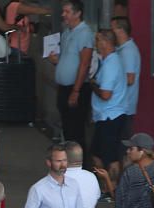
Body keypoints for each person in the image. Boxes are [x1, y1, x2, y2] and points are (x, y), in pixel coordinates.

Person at [48, 0, 94, 150]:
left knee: (76, 131)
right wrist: (56, 61)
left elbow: (84, 63)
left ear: (78, 13)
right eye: (63, 11)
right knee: (67, 129)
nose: (63, 15)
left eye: (67, 12)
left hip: (76, 88)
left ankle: (80, 166)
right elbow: (68, 58)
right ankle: (69, 164)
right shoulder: (67, 32)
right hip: (63, 87)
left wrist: (76, 91)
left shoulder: (85, 33)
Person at [89, 29, 127, 182]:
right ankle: (104, 188)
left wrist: (92, 85)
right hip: (104, 116)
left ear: (105, 42)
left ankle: (114, 188)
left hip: (111, 116)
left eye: (97, 40)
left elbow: (105, 94)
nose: (96, 43)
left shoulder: (112, 63)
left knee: (110, 157)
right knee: (97, 154)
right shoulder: (107, 61)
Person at [110, 16, 140, 138]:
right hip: (120, 106)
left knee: (121, 144)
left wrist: (110, 84)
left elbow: (130, 79)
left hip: (124, 107)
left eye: (112, 29)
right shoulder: (120, 50)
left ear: (120, 30)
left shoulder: (128, 51)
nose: (110, 33)